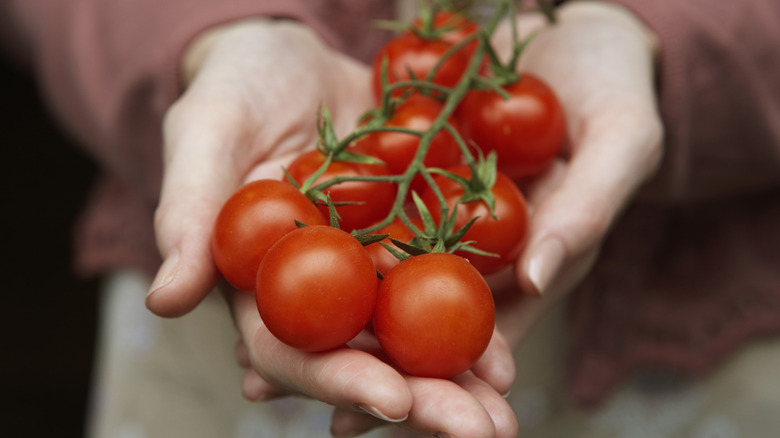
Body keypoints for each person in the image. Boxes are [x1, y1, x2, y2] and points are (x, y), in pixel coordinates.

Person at [2, 0, 778, 437]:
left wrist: (662, 35)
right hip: (206, 375)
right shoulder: (400, 186)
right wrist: (211, 35)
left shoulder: (391, 190)